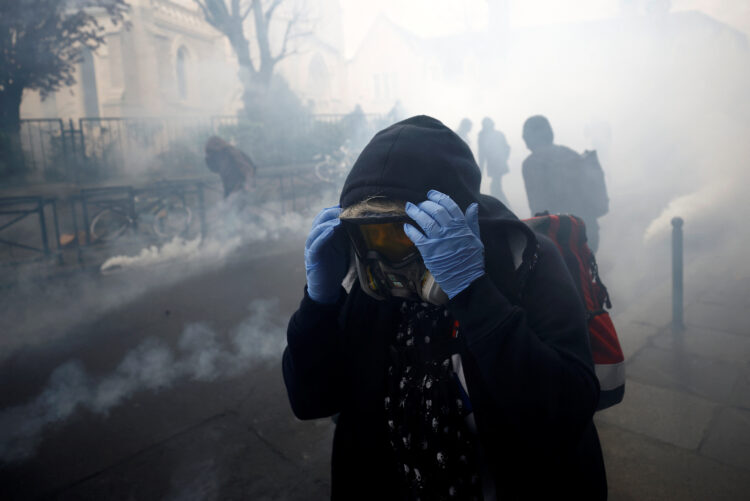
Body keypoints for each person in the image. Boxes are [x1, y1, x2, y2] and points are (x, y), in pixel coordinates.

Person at [283, 116, 606, 500]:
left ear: (448, 217)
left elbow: (566, 414)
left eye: (400, 232)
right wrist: (318, 306)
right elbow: (310, 400)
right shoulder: (365, 287)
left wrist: (472, 292)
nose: (379, 256)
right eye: (368, 234)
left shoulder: (526, 261)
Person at [521, 115, 604, 252]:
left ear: (530, 138)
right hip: (588, 230)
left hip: (560, 236)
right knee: (584, 271)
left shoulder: (532, 164)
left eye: (525, 135)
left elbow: (537, 208)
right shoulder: (570, 153)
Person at [477, 117, 511, 207]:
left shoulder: (487, 136)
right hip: (496, 165)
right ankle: (505, 207)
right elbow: (482, 154)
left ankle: (505, 207)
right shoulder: (484, 136)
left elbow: (507, 148)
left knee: (495, 188)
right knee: (496, 187)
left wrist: (502, 158)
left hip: (497, 165)